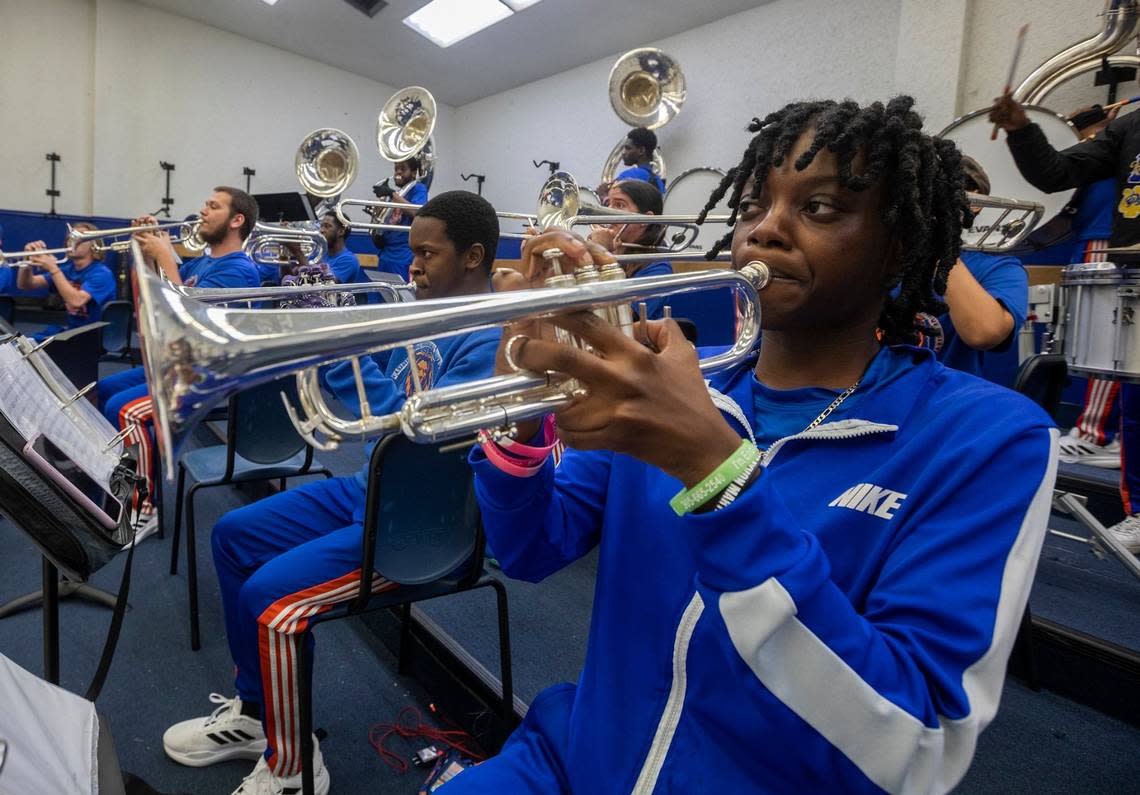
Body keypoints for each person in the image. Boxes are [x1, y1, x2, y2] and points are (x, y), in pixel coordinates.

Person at [444, 97, 1058, 794]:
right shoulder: (678, 376)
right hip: (574, 758)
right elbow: (528, 549)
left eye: (820, 207)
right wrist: (517, 412)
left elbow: (915, 748)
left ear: (898, 246)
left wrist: (718, 473)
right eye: (754, 206)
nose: (766, 229)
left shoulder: (989, 438)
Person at [161, 191, 504, 795]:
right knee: (234, 536)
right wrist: (323, 326)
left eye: (428, 253)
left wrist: (335, 343)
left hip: (431, 520)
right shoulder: (422, 311)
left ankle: (294, 768)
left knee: (274, 598)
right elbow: (370, 404)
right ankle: (256, 714)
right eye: (414, 252)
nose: (412, 265)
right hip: (372, 488)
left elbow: (418, 427)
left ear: (473, 256)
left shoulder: (489, 339)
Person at [991, 92, 1140, 548]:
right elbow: (1055, 173)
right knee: (1136, 406)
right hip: (1134, 268)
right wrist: (1020, 129)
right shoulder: (1130, 125)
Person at [95, 186, 261, 534]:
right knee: (106, 389)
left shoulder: (240, 271)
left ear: (236, 220)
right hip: (185, 366)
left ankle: (145, 509)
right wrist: (150, 251)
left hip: (214, 375)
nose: (203, 211)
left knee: (129, 412)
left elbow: (189, 322)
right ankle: (124, 480)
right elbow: (159, 299)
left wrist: (166, 254)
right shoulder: (204, 261)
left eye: (213, 206)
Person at [924, 156, 1028, 378]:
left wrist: (939, 241)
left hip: (943, 403)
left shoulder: (999, 268)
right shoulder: (879, 256)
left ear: (976, 203)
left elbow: (985, 333)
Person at [587, 178, 671, 319]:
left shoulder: (659, 268)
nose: (608, 212)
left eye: (619, 205)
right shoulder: (616, 251)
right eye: (608, 204)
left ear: (645, 219)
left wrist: (600, 253)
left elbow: (622, 318)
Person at [18, 223, 116, 340]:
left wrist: (53, 268)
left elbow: (77, 301)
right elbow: (26, 284)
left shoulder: (101, 273)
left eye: (79, 238)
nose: (72, 242)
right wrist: (26, 262)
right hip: (74, 333)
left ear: (94, 245)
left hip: (95, 337)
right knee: (28, 343)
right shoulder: (67, 270)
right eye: (70, 238)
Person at [370, 157, 429, 281]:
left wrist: (391, 194)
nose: (398, 172)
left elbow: (418, 212)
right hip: (385, 253)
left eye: (403, 169)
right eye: (396, 169)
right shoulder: (398, 194)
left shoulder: (418, 188)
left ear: (413, 173)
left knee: (400, 295)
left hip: (403, 254)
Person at [614, 126, 665, 194]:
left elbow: (615, 202)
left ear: (641, 151)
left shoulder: (628, 176)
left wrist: (603, 195)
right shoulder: (659, 182)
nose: (623, 153)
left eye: (628, 148)